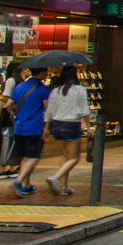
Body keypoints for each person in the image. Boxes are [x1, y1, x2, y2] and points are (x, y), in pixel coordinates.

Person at [42, 66, 90, 196]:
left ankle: (64, 186)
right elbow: (84, 110)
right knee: (74, 158)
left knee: (66, 156)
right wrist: (89, 126)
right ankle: (55, 178)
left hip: (56, 125)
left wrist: (46, 128)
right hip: (71, 125)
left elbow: (49, 111)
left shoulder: (55, 91)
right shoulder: (79, 90)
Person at [5, 66, 50, 198]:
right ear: (41, 73)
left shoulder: (19, 87)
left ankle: (27, 184)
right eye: (45, 72)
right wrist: (47, 127)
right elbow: (47, 109)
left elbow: (8, 105)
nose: (47, 74)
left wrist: (14, 117)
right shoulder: (44, 89)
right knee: (34, 156)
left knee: (24, 156)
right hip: (34, 127)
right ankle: (18, 181)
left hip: (19, 126)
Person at [0, 63, 26, 179]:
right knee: (12, 140)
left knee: (3, 140)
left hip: (7, 113)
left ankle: (2, 169)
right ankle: (13, 167)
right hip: (17, 113)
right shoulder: (22, 82)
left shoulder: (10, 80)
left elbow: (7, 99)